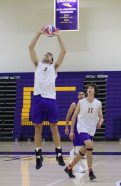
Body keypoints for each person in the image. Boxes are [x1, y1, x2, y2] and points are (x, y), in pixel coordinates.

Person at [29, 28, 66, 169]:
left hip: (50, 99)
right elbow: (30, 47)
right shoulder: (37, 65)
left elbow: (63, 52)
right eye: (46, 54)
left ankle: (59, 154)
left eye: (50, 55)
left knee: (54, 127)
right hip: (38, 99)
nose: (47, 55)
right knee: (37, 127)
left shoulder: (54, 68)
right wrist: (38, 33)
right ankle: (38, 154)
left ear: (51, 60)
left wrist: (58, 36)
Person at [64, 83, 104, 181]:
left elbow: (101, 117)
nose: (90, 89)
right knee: (89, 146)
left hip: (91, 130)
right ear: (87, 91)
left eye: (92, 88)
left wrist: (100, 122)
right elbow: (74, 116)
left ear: (94, 91)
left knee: (83, 150)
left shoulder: (98, 103)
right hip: (82, 128)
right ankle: (91, 172)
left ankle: (69, 168)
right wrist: (72, 130)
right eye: (88, 88)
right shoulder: (81, 102)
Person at [65, 91, 86, 173]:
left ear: (85, 96)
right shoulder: (74, 105)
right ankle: (77, 167)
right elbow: (68, 117)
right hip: (75, 129)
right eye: (79, 94)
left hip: (83, 128)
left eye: (82, 94)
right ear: (77, 96)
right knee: (78, 149)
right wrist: (67, 128)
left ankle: (72, 152)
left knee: (83, 148)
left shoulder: (86, 105)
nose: (81, 96)